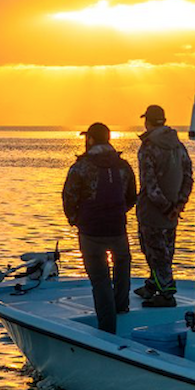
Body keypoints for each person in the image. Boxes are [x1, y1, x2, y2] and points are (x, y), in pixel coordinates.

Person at [62, 122, 137, 333]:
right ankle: (121, 306)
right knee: (122, 266)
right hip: (117, 228)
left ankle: (107, 328)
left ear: (91, 140)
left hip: (90, 231)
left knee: (100, 279)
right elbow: (132, 197)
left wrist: (75, 219)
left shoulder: (81, 167)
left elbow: (69, 197)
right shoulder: (123, 166)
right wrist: (118, 214)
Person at [133, 104, 194, 307]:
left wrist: (168, 208)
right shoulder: (179, 146)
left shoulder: (148, 147)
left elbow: (149, 185)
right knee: (165, 250)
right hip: (172, 214)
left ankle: (167, 293)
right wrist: (179, 205)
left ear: (147, 121)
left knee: (155, 253)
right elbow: (188, 177)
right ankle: (152, 285)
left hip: (153, 213)